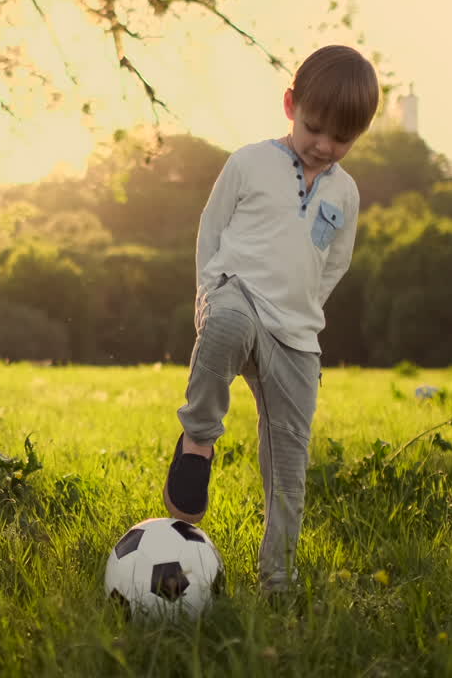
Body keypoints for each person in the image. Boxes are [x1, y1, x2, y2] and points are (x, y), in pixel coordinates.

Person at [163, 45, 380, 595]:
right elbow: (210, 231)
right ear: (290, 104)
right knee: (228, 325)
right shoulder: (248, 162)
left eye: (342, 139)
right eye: (315, 127)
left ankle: (278, 576)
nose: (325, 145)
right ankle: (199, 439)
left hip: (297, 333)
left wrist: (303, 306)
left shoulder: (345, 192)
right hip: (237, 293)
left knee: (289, 460)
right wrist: (210, 291)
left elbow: (335, 262)